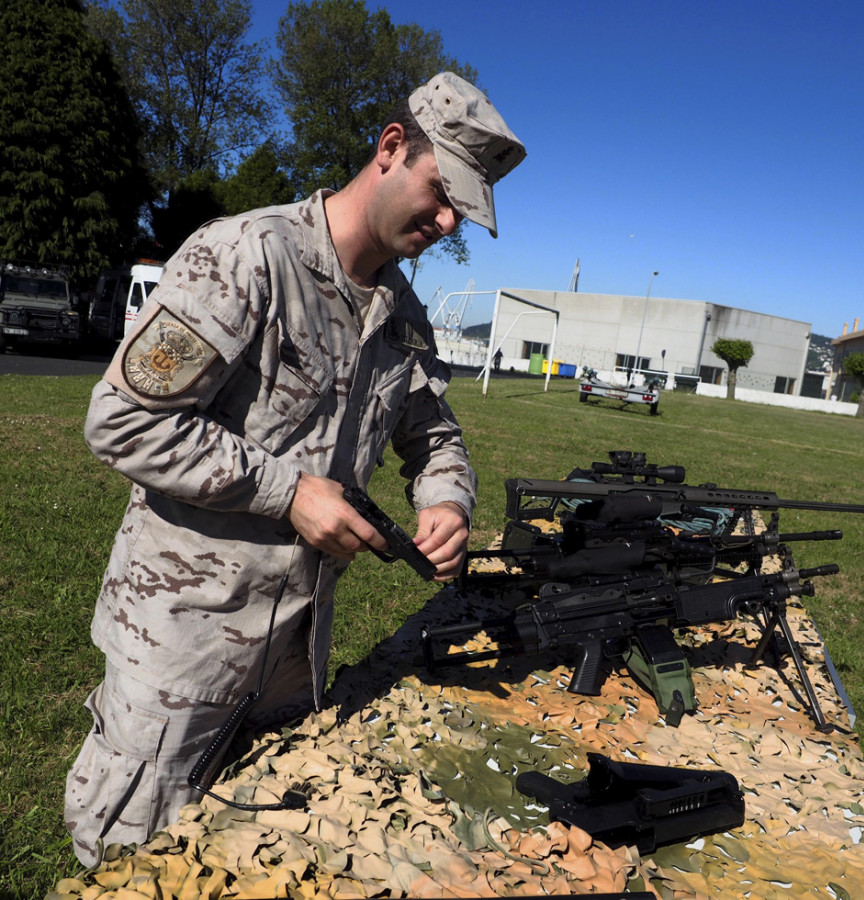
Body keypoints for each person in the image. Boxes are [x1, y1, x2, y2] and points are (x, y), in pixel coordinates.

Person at [65, 71, 525, 867]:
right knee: (130, 868)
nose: (447, 220)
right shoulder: (247, 256)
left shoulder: (403, 319)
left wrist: (447, 500)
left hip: (291, 662)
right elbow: (123, 420)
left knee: (252, 864)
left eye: (463, 212)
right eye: (441, 191)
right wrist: (287, 493)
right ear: (390, 148)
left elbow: (436, 437)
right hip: (183, 649)